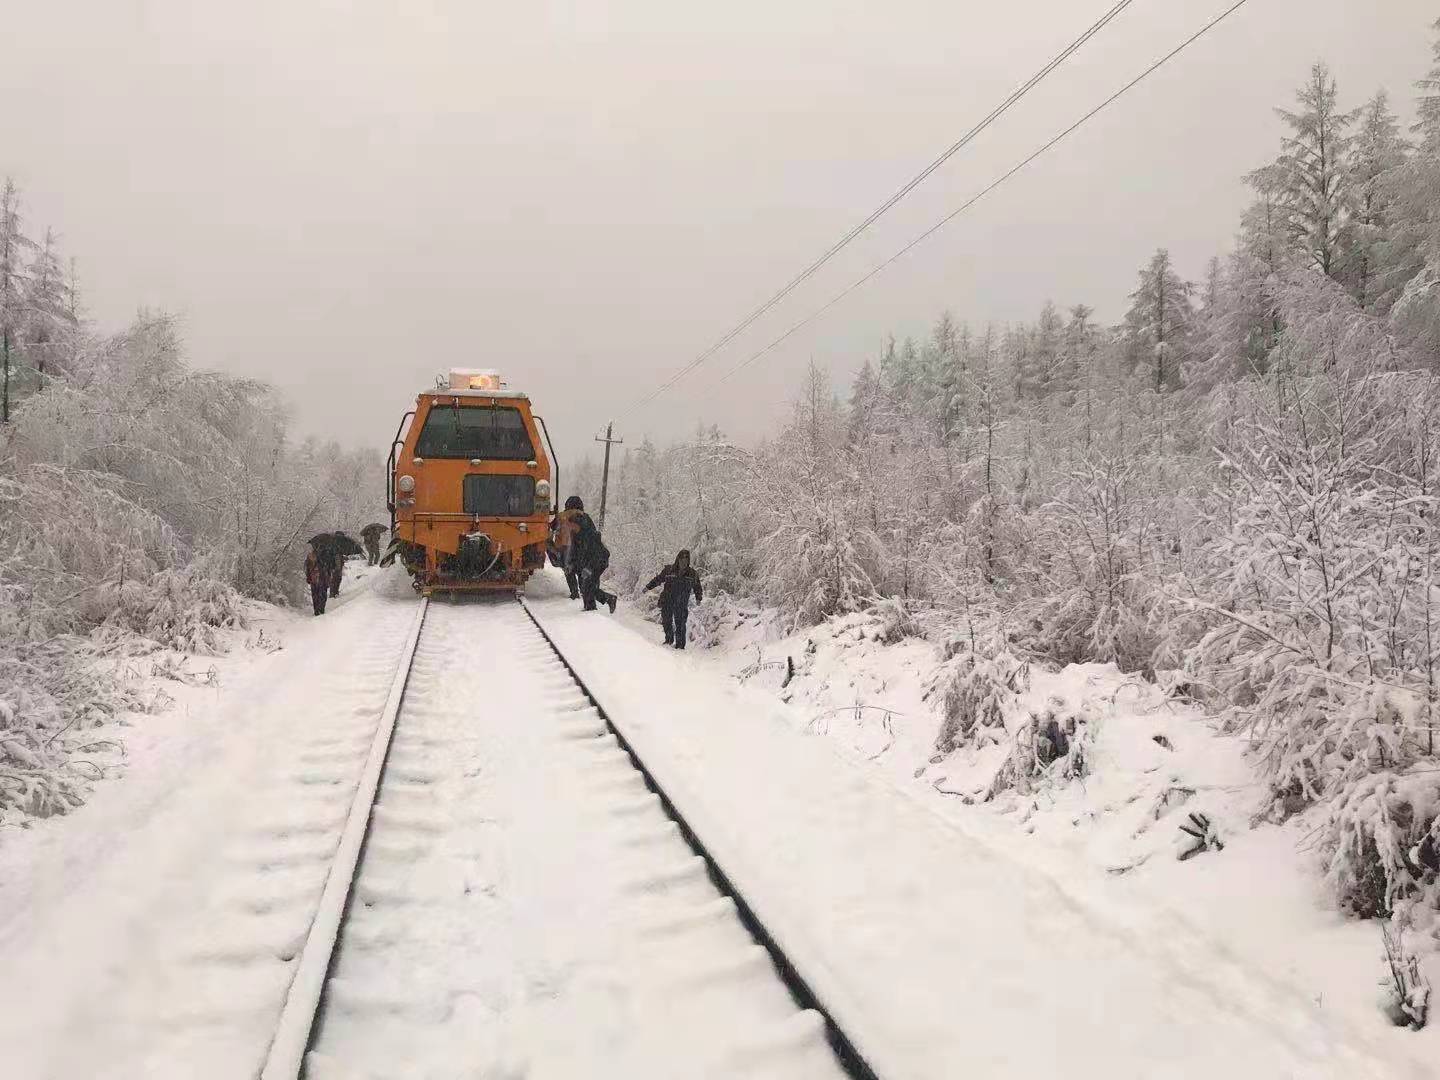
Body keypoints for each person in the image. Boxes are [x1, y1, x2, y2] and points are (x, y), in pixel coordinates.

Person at [565, 496, 616, 613]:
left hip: (598, 559)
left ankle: (592, 609)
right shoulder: (578, 523)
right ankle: (600, 604)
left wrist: (588, 567)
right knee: (586, 585)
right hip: (591, 559)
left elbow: (591, 548)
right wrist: (572, 563)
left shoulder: (582, 523)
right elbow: (575, 547)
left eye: (569, 511)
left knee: (587, 585)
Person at [645, 549, 703, 649]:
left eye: (686, 560)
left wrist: (699, 598)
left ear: (688, 561)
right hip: (667, 599)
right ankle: (669, 640)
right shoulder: (669, 570)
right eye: (682, 559)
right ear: (678, 559)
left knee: (680, 623)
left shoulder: (692, 574)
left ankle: (680, 646)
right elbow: (658, 579)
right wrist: (648, 587)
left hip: (681, 602)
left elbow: (698, 587)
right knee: (666, 620)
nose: (684, 562)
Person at [549, 509, 581, 600]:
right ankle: (581, 590)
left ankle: (574, 592)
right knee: (577, 567)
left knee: (567, 568)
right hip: (577, 545)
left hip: (563, 545)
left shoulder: (560, 516)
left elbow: (552, 527)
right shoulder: (581, 516)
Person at [305, 541, 333, 616]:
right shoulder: (327, 555)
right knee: (323, 594)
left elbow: (307, 567)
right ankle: (321, 609)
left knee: (315, 594)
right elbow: (330, 567)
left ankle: (316, 610)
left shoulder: (310, 555)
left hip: (313, 577)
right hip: (323, 577)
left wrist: (308, 577)